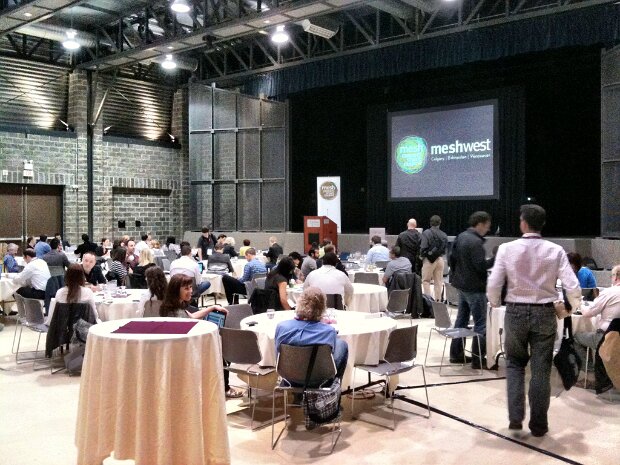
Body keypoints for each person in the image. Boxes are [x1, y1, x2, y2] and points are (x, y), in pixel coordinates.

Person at [487, 204, 581, 437]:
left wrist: (495, 302)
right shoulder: (556, 250)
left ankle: (515, 418)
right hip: (545, 313)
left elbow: (494, 282)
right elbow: (572, 286)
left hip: (515, 312)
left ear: (523, 223)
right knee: (541, 370)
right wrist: (572, 307)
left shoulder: (506, 249)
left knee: (514, 364)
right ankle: (539, 425)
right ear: (542, 224)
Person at [159, 274, 243, 398]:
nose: (190, 291)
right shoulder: (177, 314)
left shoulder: (173, 306)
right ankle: (225, 388)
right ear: (176, 290)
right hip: (186, 351)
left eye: (190, 287)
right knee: (221, 351)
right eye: (186, 288)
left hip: (181, 348)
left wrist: (212, 308)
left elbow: (192, 317)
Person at [448, 211, 495, 369]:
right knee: (481, 324)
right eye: (487, 226)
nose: (488, 230)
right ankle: (478, 359)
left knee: (461, 321)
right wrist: (495, 259)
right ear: (480, 224)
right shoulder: (475, 242)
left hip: (461, 286)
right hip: (475, 288)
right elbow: (481, 266)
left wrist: (456, 276)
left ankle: (456, 354)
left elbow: (451, 258)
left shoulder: (461, 236)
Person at [275, 287, 349, 382]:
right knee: (342, 344)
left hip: (288, 376)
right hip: (319, 377)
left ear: (299, 303)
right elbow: (330, 356)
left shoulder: (282, 327)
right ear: (322, 308)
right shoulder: (328, 331)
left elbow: (277, 355)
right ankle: (335, 384)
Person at [573, 265, 620, 393]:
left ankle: (591, 374)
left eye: (612, 275)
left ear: (616, 277)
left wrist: (580, 304)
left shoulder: (609, 292)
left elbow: (588, 313)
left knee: (576, 337)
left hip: (607, 338)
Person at [420, 215, 448, 301]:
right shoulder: (444, 234)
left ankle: (428, 301)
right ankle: (438, 301)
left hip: (429, 260)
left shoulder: (426, 233)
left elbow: (423, 247)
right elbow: (444, 250)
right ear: (440, 223)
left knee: (426, 281)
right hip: (440, 259)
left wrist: (422, 256)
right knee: (439, 282)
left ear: (430, 223)